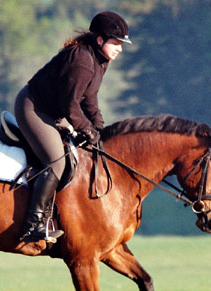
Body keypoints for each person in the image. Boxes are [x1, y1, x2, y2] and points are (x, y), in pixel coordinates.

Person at [14, 11, 131, 243]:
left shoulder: (100, 61)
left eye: (121, 44)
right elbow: (70, 105)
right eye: (116, 42)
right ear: (100, 40)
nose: (120, 48)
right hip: (33, 108)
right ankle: (33, 224)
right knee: (57, 161)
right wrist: (86, 130)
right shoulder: (82, 60)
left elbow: (89, 99)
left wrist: (99, 129)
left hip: (53, 111)